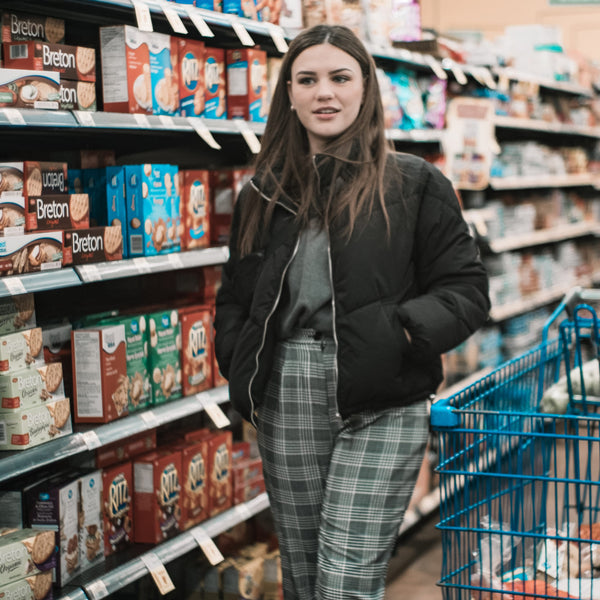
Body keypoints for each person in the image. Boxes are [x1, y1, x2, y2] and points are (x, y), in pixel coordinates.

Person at [214, 24, 490, 600]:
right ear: (287, 92)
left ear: (366, 88)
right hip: (287, 393)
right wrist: (240, 363)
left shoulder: (414, 183)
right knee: (306, 578)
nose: (325, 93)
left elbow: (464, 288)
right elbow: (237, 297)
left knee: (344, 584)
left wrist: (401, 332)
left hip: (383, 396)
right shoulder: (262, 193)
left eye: (340, 78)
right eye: (307, 80)